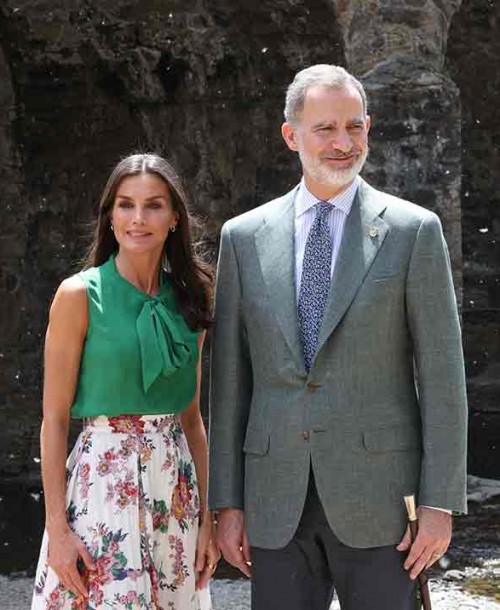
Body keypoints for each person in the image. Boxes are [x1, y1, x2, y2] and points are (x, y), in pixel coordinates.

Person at [209, 65, 468, 610]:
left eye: (355, 127)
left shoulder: (413, 231)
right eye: (326, 129)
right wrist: (226, 503)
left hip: (381, 502)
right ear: (291, 136)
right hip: (274, 500)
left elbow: (444, 377)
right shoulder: (243, 237)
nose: (343, 143)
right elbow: (230, 383)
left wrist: (441, 503)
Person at [32, 153, 219, 610]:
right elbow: (54, 420)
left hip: (174, 490)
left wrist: (206, 521)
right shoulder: (78, 295)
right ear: (110, 216)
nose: (139, 218)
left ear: (174, 218)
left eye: (154, 205)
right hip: (101, 490)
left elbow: (192, 421)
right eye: (125, 205)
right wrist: (57, 529)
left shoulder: (191, 300)